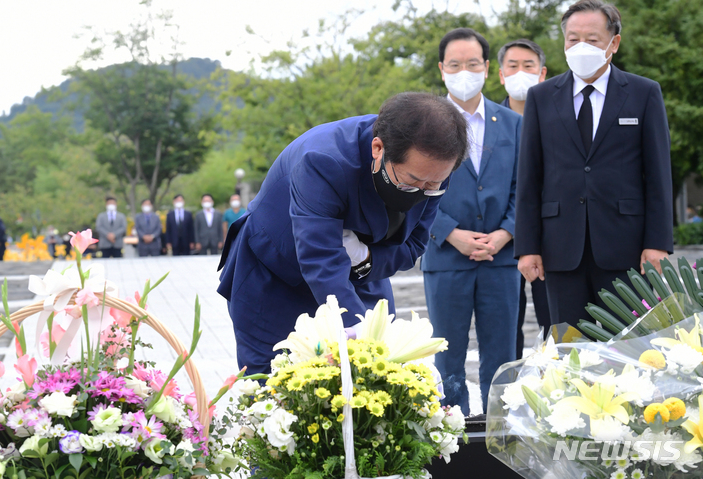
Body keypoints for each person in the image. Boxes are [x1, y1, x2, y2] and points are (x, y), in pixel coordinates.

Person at [217, 92, 468, 374]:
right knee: (277, 383)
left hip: (361, 275)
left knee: (380, 376)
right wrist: (359, 330)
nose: (423, 190)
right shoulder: (323, 159)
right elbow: (320, 259)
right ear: (378, 149)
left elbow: (413, 246)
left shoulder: (435, 167)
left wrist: (364, 258)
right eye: (410, 181)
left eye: (432, 184)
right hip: (276, 273)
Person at [515, 0, 673, 329]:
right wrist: (527, 247)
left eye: (592, 39)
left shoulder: (643, 93)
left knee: (630, 347)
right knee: (569, 349)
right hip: (560, 248)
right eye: (573, 39)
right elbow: (530, 177)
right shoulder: (541, 97)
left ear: (613, 43)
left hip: (626, 249)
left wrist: (657, 243)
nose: (581, 47)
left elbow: (659, 176)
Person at [421, 28, 522, 415]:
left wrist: (505, 233)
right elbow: (411, 189)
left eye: (473, 63)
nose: (465, 71)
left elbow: (524, 187)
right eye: (456, 64)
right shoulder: (424, 125)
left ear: (487, 67)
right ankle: (452, 436)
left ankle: (502, 432)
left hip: (502, 259)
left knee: (503, 356)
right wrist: (450, 233)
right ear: (442, 69)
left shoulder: (512, 123)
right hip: (446, 259)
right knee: (447, 357)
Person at [497, 38, 552, 359]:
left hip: (551, 242)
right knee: (505, 326)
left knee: (556, 323)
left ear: (542, 73)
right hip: (502, 244)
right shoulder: (488, 122)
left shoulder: (559, 117)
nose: (521, 72)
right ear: (501, 75)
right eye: (513, 66)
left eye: (528, 66)